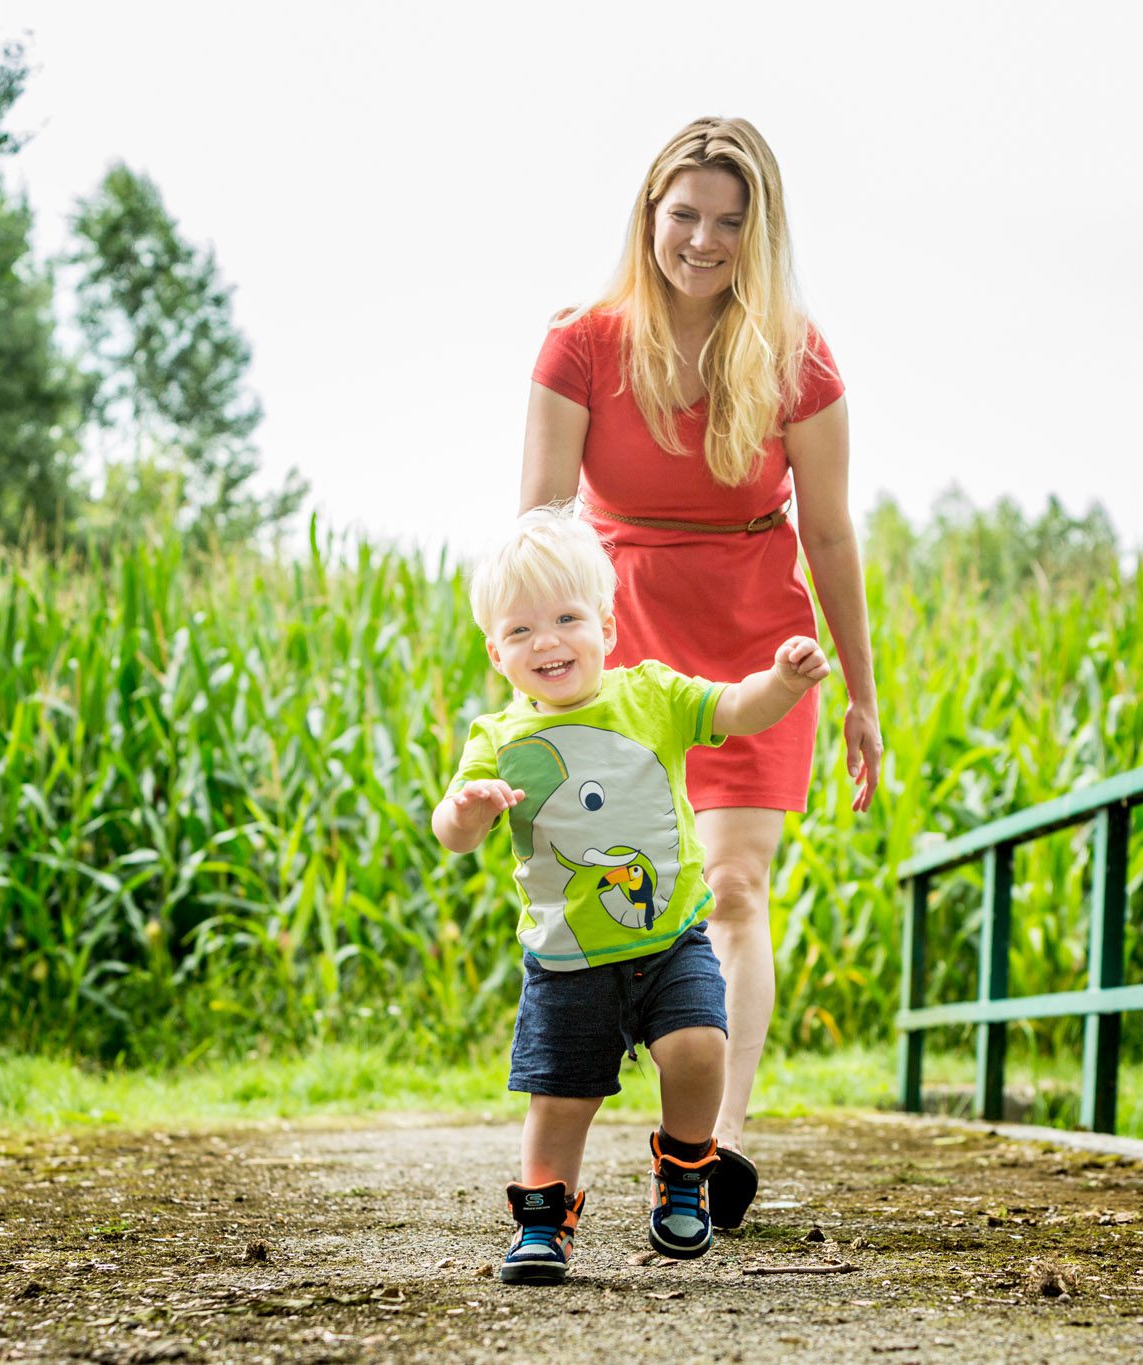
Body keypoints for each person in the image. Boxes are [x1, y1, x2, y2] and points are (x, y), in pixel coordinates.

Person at [518, 116, 882, 1229]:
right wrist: (538, 673)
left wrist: (861, 698)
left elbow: (828, 536)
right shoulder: (578, 343)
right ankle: (577, 1128)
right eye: (684, 215)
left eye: (729, 221)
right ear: (649, 215)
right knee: (615, 893)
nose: (702, 240)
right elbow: (537, 524)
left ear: (756, 231)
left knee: (732, 888)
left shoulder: (796, 354)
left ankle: (711, 1146)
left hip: (754, 636)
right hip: (619, 638)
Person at [433, 506, 833, 1284]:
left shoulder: (650, 695)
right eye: (520, 631)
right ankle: (544, 1221)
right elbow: (451, 828)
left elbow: (735, 709)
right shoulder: (498, 737)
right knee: (560, 1098)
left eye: (566, 618)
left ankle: (685, 1169)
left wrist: (782, 681)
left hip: (669, 939)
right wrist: (470, 808)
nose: (546, 641)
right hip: (568, 958)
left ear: (607, 627)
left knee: (699, 1048)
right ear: (496, 652)